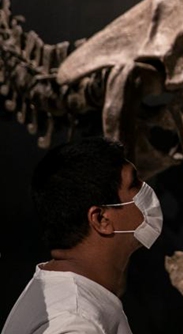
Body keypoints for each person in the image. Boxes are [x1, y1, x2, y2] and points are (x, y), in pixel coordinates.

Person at [2, 137, 163, 334]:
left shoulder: (69, 295)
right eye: (134, 184)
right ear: (101, 219)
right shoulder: (75, 322)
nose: (146, 189)